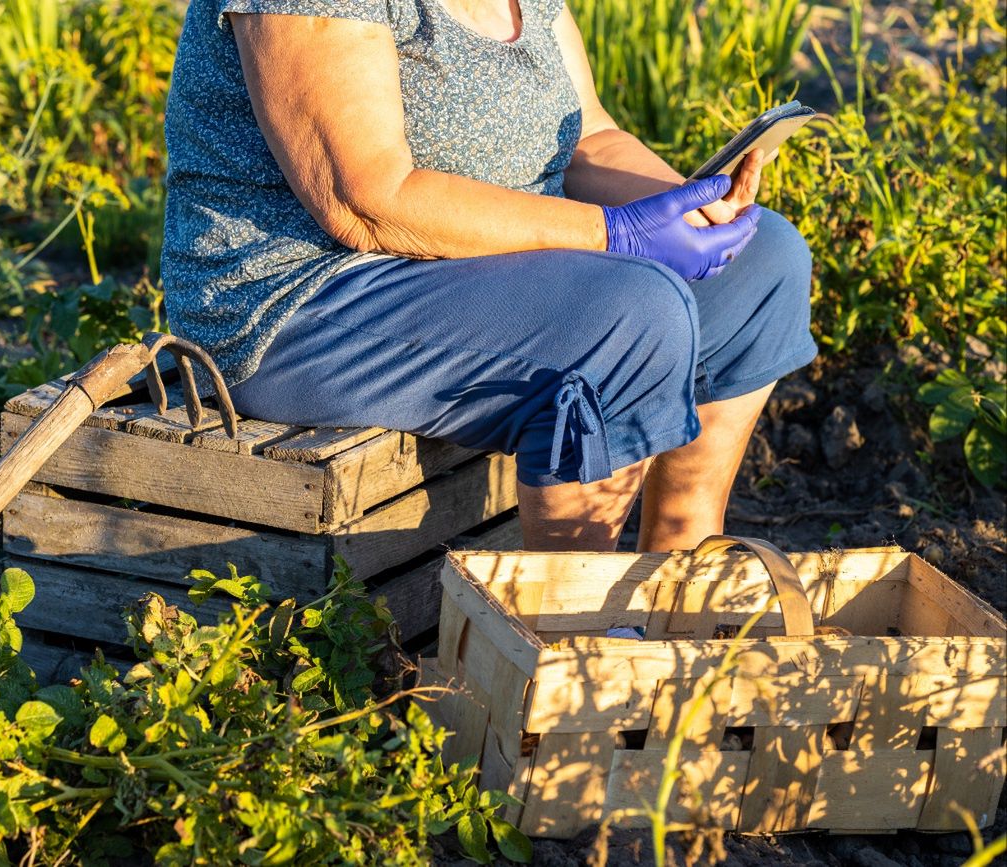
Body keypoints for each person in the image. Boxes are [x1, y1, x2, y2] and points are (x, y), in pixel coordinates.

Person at [161, 0, 817, 552]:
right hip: (306, 298)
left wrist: (689, 208)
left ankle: (683, 582)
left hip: (471, 267)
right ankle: (572, 626)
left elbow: (588, 139)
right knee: (630, 313)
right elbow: (366, 202)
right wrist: (614, 234)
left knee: (764, 261)